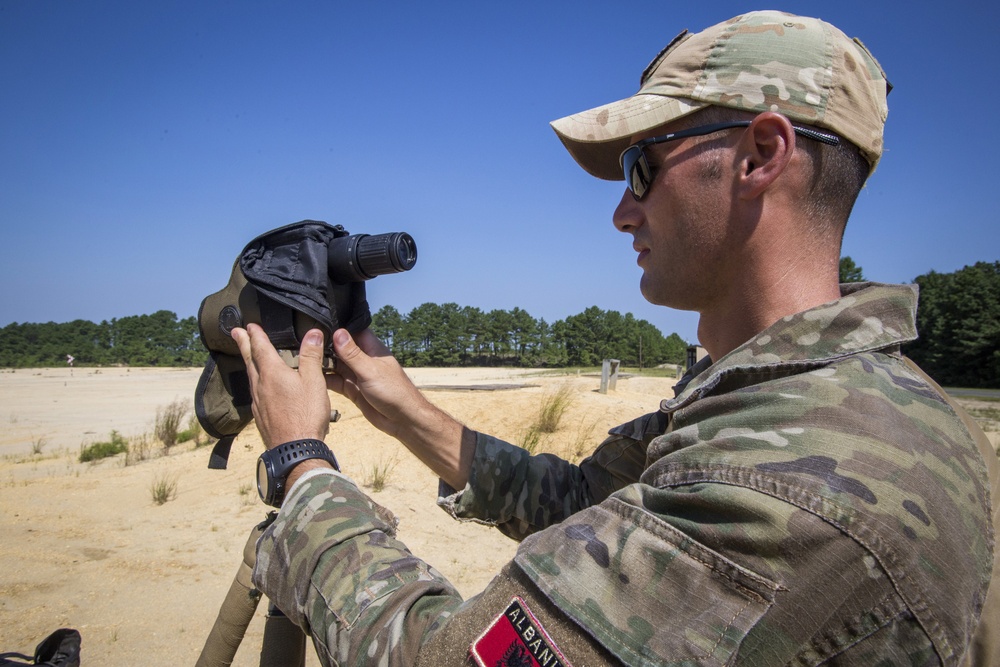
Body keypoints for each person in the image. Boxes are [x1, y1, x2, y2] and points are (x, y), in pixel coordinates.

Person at [231, 10, 999, 666]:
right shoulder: (841, 401)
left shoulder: (784, 491)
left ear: (761, 156)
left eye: (642, 168)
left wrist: (303, 470)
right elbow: (582, 502)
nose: (622, 214)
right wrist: (400, 406)